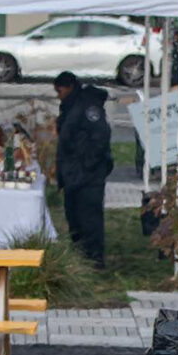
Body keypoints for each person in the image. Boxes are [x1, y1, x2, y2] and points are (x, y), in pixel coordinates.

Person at [54, 71, 114, 268]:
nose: (58, 94)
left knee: (89, 217)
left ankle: (94, 259)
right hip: (74, 172)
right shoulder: (70, 106)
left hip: (89, 174)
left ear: (70, 87)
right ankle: (80, 256)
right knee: (74, 216)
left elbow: (101, 136)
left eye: (60, 90)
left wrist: (87, 164)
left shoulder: (88, 106)